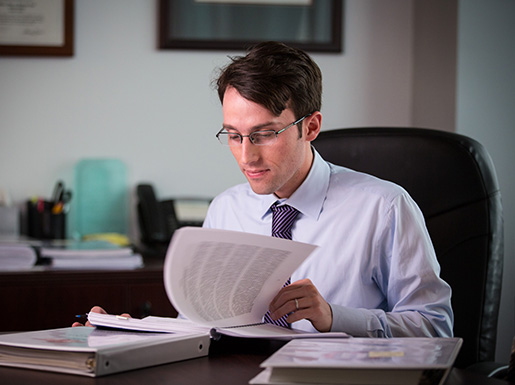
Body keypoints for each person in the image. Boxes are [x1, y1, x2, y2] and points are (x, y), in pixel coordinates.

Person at [75, 41, 453, 338]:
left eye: (265, 134)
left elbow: (435, 329)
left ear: (311, 127)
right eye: (234, 136)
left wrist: (336, 317)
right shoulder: (226, 209)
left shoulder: (384, 207)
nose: (246, 156)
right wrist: (129, 334)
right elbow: (199, 326)